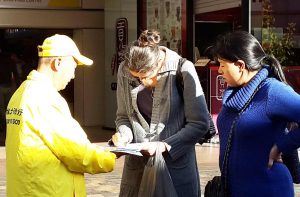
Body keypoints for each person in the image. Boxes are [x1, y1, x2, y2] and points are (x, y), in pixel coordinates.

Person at [5, 34, 116, 197]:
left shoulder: (21, 93)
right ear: (57, 63)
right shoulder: (45, 98)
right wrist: (112, 156)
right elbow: (77, 152)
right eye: (73, 67)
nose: (73, 76)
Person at [111, 29, 210, 197]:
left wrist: (162, 146)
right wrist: (123, 136)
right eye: (136, 77)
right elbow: (123, 117)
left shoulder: (182, 69)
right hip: (138, 171)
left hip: (175, 171)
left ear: (158, 65)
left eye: (145, 76)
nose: (141, 81)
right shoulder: (124, 71)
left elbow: (199, 124)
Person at [212, 31, 300, 196]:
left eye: (222, 65)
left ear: (240, 65)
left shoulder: (271, 91)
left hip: (268, 188)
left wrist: (282, 146)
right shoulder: (234, 93)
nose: (219, 71)